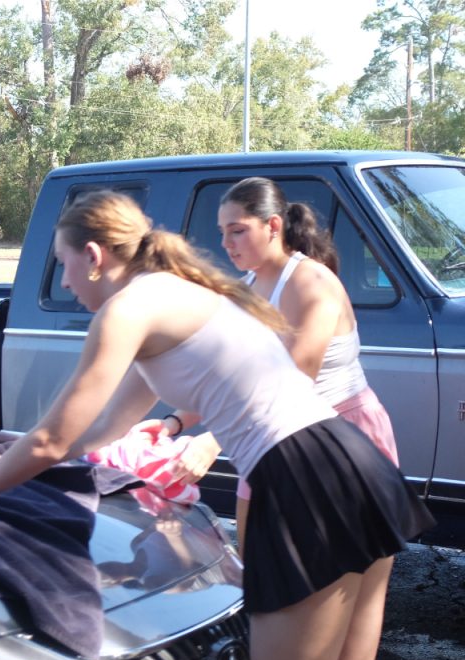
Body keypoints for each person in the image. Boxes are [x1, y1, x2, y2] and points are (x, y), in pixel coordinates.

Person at [0, 191, 432, 660]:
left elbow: (52, 438)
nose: (65, 284)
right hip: (351, 462)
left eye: (62, 266)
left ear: (93, 255)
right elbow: (96, 433)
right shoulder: (179, 294)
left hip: (299, 480)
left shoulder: (128, 310)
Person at [160, 177, 400, 543]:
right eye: (223, 232)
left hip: (339, 439)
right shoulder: (245, 290)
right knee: (260, 568)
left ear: (273, 225)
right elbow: (226, 377)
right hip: (271, 440)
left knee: (327, 583)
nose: (225, 243)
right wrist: (172, 424)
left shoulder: (312, 282)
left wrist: (213, 441)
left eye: (237, 231)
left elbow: (295, 383)